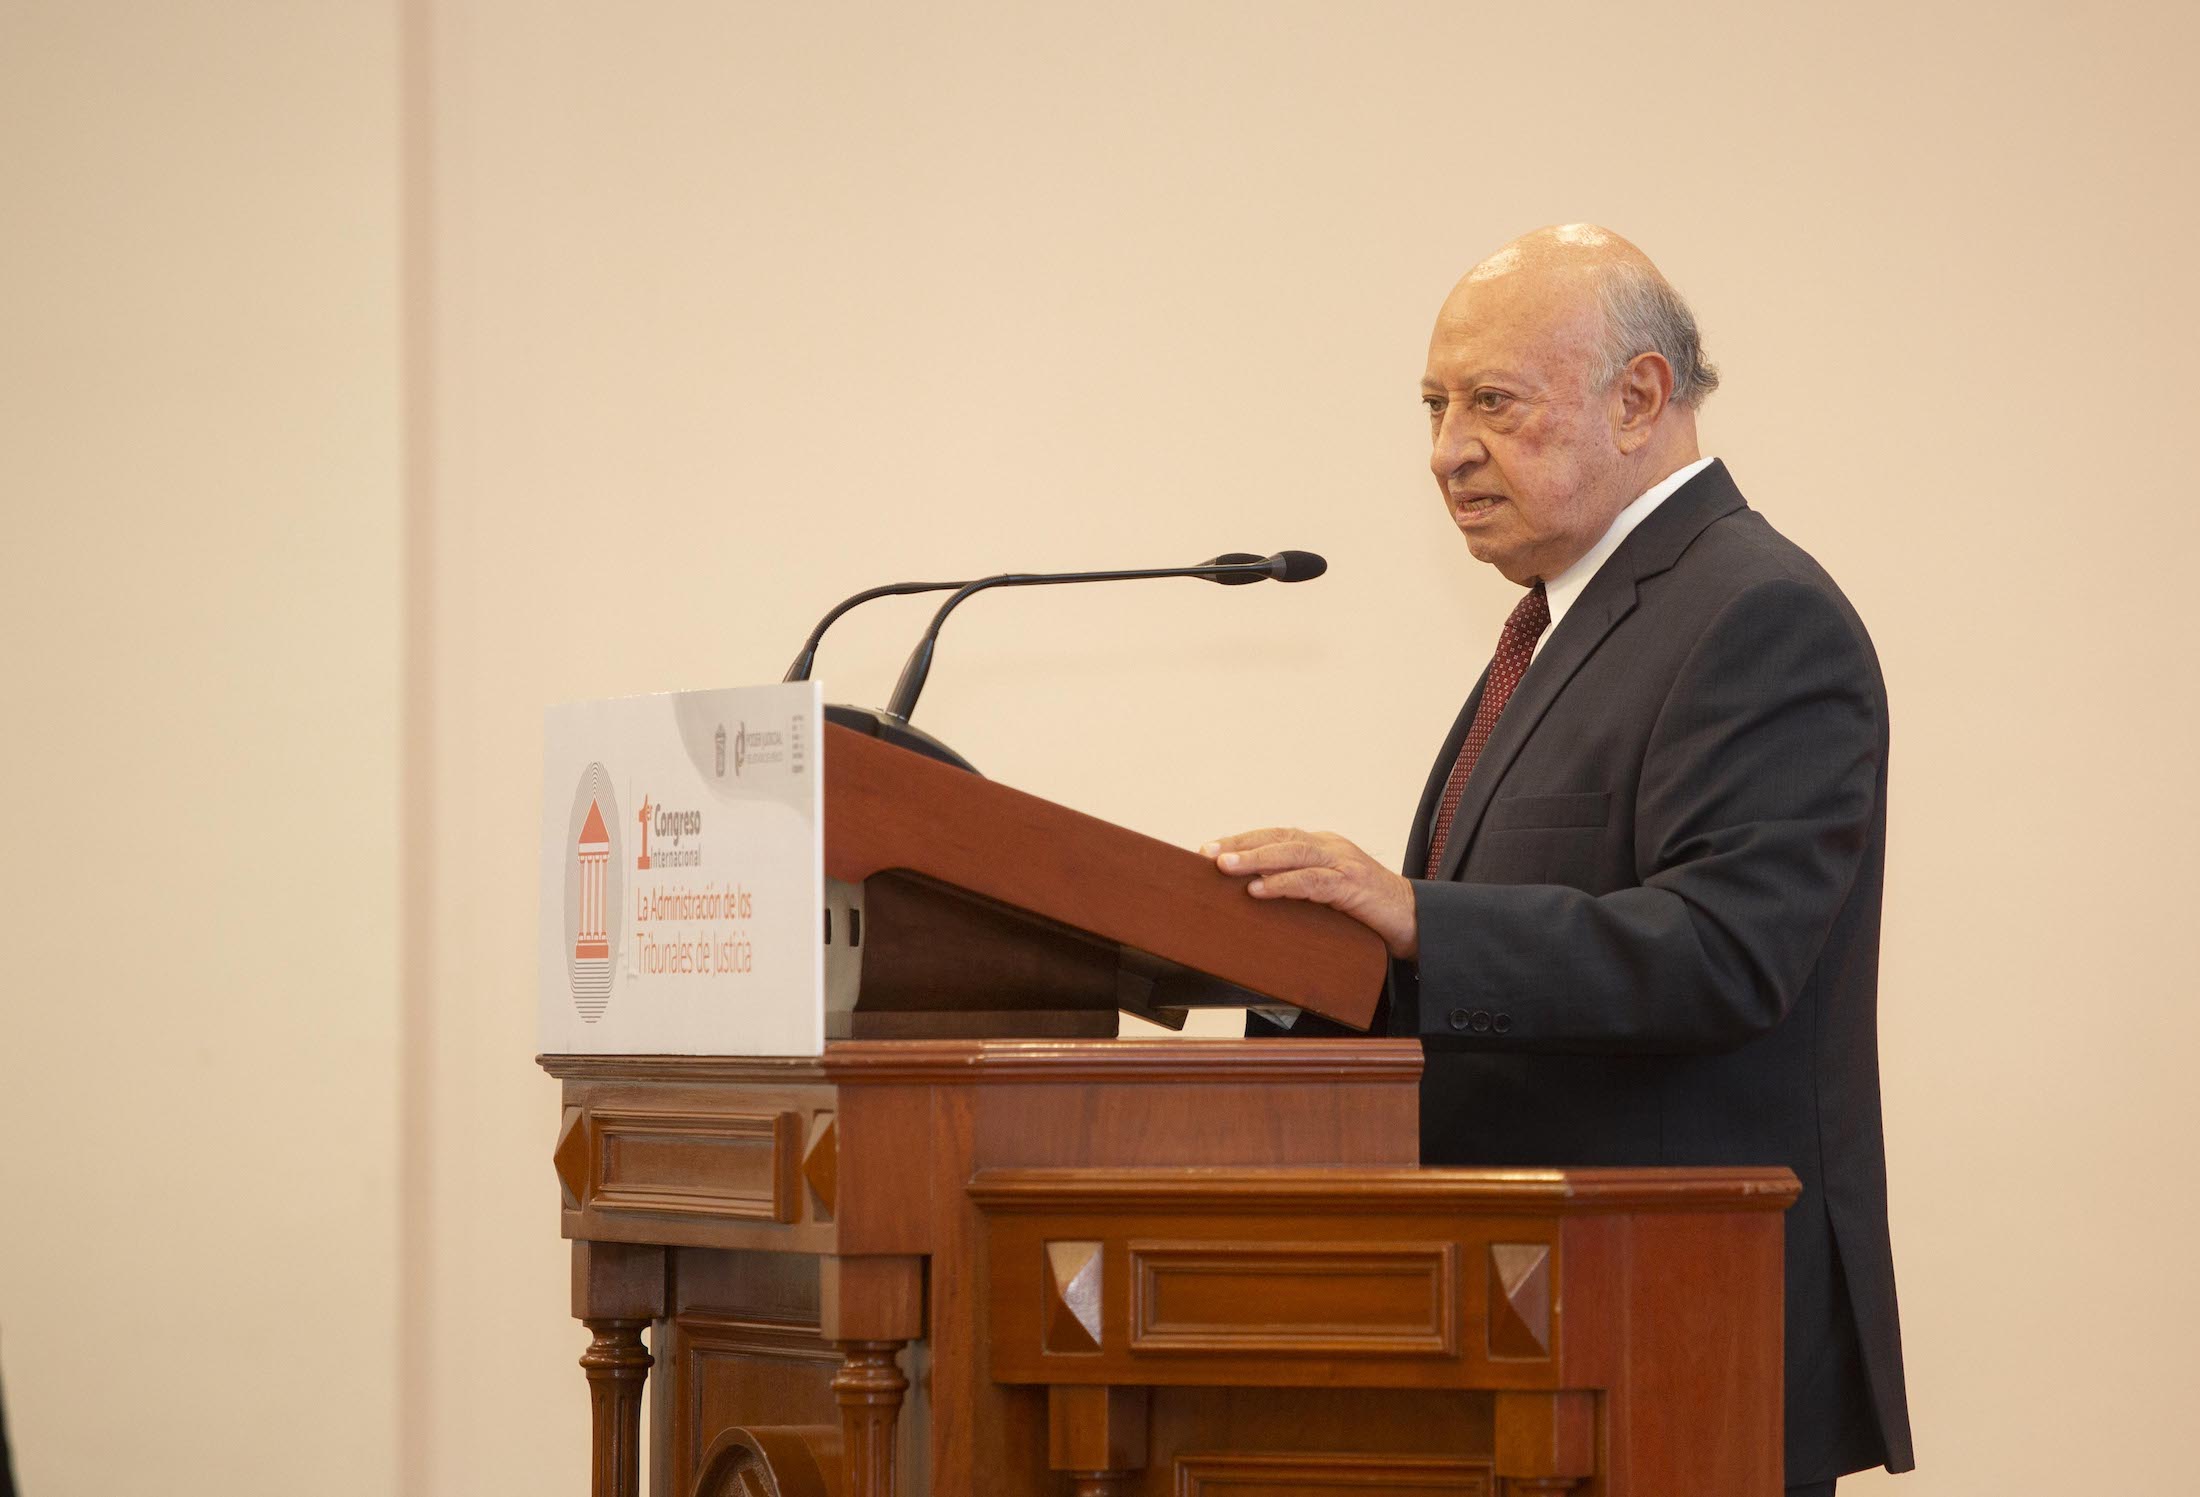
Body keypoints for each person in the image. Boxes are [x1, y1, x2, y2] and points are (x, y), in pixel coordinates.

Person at [1209, 225, 1913, 1494]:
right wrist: (1278, 963)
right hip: (1528, 1318)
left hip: (1667, 1329)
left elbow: (1724, 953)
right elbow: (1483, 981)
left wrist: (1418, 916)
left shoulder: (1754, 614)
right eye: (1432, 405)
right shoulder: (1556, 625)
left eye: (1491, 403)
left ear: (1638, 398)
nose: (1445, 450)